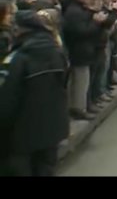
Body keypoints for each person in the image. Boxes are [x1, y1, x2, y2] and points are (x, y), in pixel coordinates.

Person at [0, 10, 69, 176]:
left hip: (22, 135)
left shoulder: (17, 58)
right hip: (53, 129)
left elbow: (7, 100)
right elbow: (64, 83)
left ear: (19, 30)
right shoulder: (57, 52)